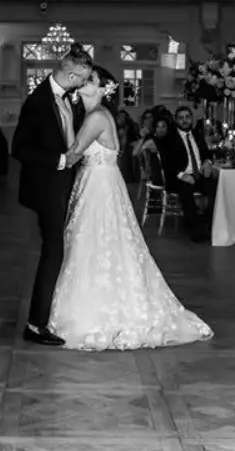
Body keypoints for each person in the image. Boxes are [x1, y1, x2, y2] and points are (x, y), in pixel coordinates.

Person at [48, 66, 213, 350]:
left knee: (95, 244)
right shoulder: (94, 115)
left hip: (99, 186)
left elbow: (73, 154)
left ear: (102, 89)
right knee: (99, 245)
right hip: (98, 182)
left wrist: (46, 159)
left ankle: (95, 313)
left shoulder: (97, 116)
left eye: (90, 80)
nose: (82, 83)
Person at [11, 43, 93, 347]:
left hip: (65, 183)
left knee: (59, 249)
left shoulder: (68, 98)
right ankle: (36, 324)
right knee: (53, 251)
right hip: (47, 185)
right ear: (71, 73)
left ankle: (48, 315)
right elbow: (18, 148)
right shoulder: (37, 102)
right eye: (81, 78)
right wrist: (60, 160)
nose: (81, 84)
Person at [155, 106, 215, 242]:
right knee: (186, 192)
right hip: (179, 178)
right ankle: (197, 232)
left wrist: (207, 162)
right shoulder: (170, 138)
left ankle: (211, 226)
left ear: (191, 119)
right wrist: (182, 175)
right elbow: (166, 163)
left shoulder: (197, 134)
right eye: (181, 118)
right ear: (176, 120)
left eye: (187, 117)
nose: (184, 120)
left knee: (216, 188)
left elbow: (206, 153)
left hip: (199, 174)